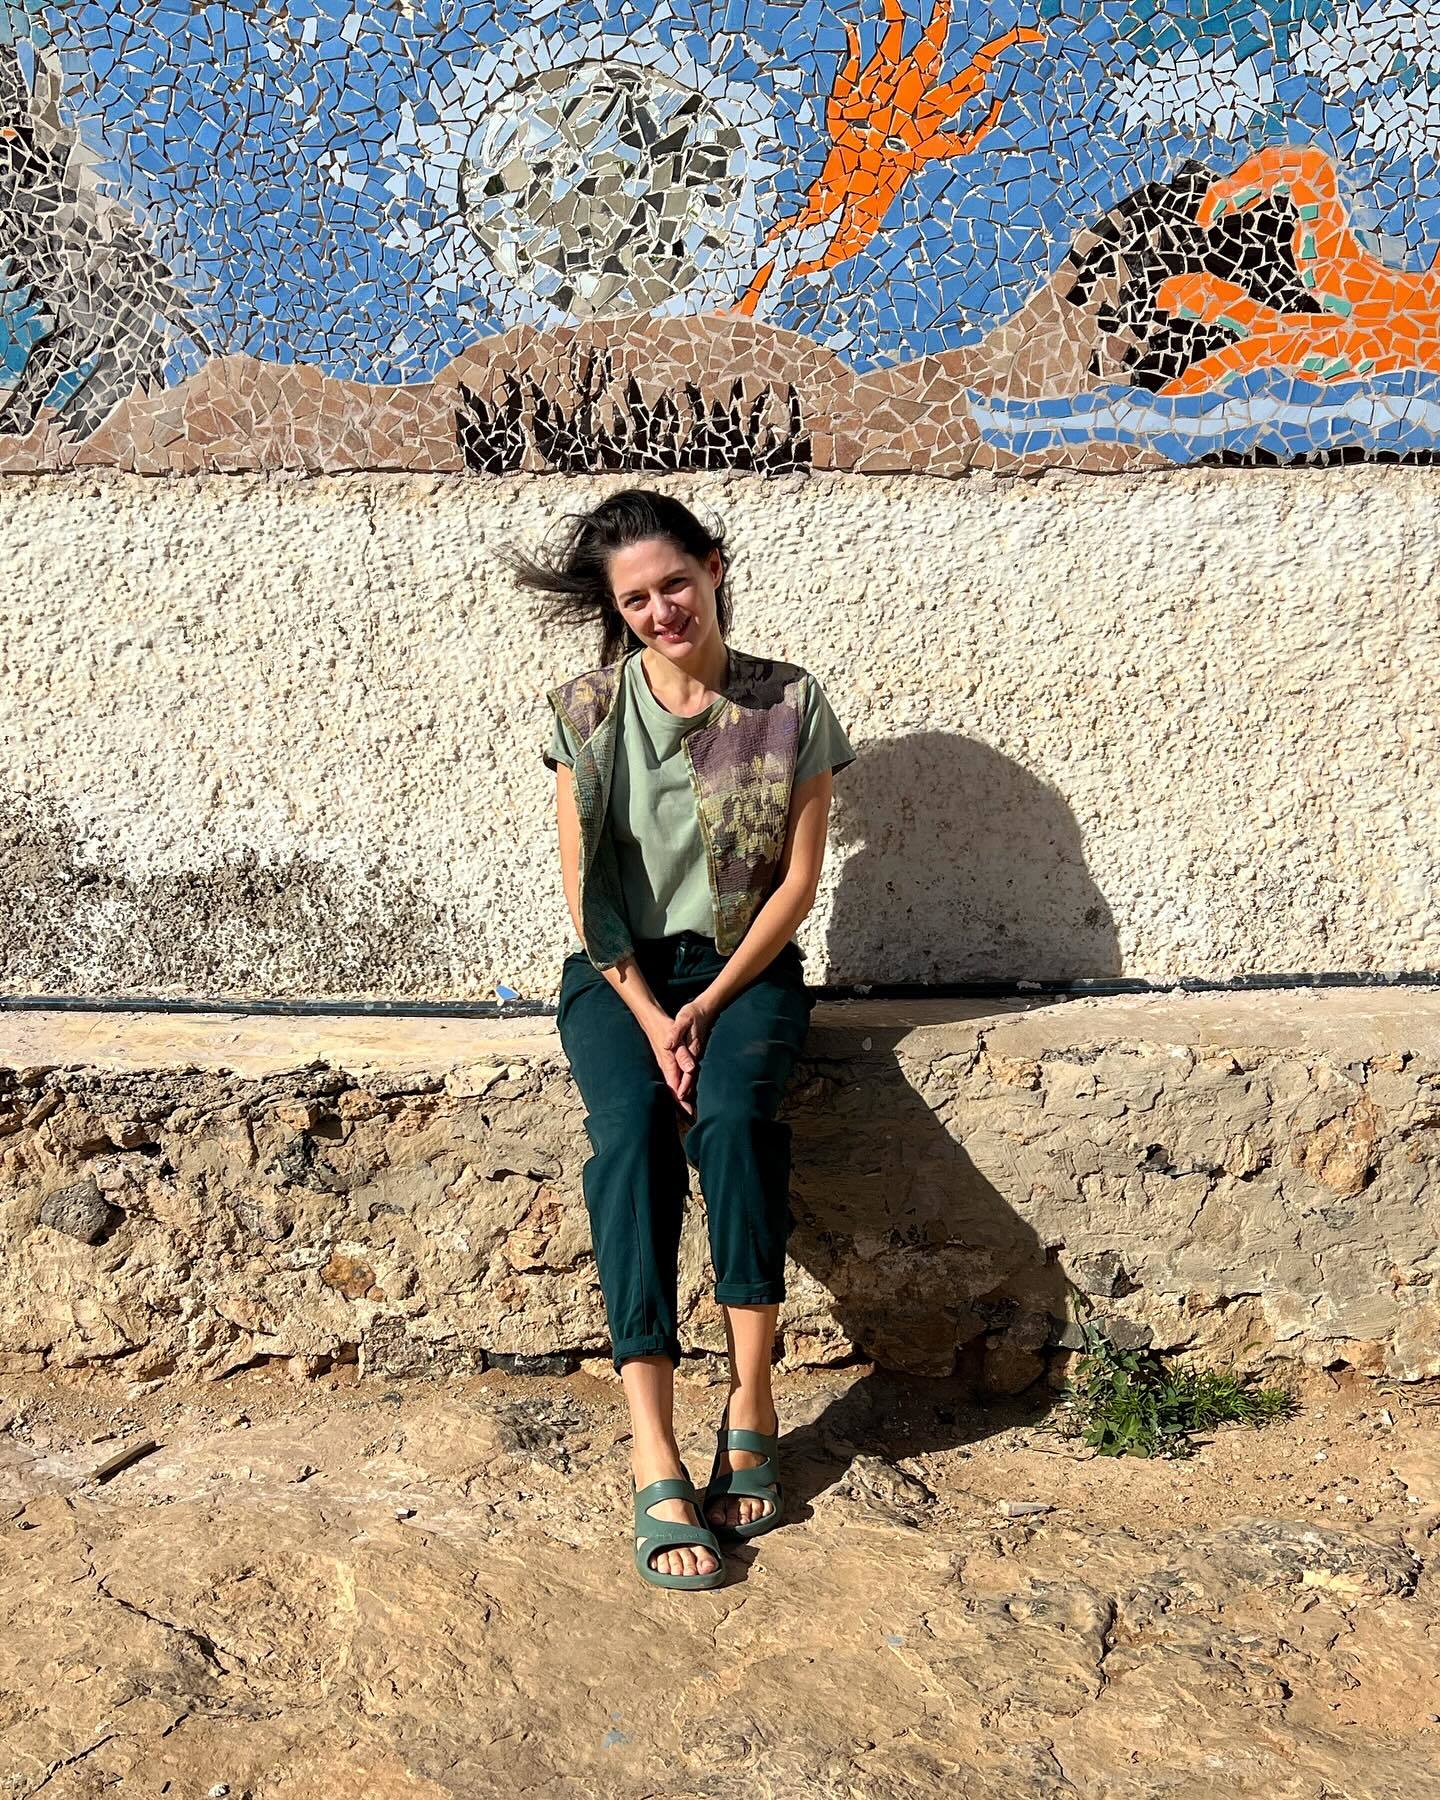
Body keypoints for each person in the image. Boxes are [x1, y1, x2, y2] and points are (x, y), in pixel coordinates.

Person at [513, 488, 856, 1591]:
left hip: (743, 968)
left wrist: (709, 1006)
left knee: (735, 1119)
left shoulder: (789, 701)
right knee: (629, 1140)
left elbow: (796, 883)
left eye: (675, 583)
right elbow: (586, 897)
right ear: (616, 612)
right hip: (621, 976)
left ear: (713, 566)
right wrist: (657, 1015)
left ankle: (752, 1399)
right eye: (636, 600)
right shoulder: (584, 713)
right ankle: (652, 1445)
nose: (662, 611)